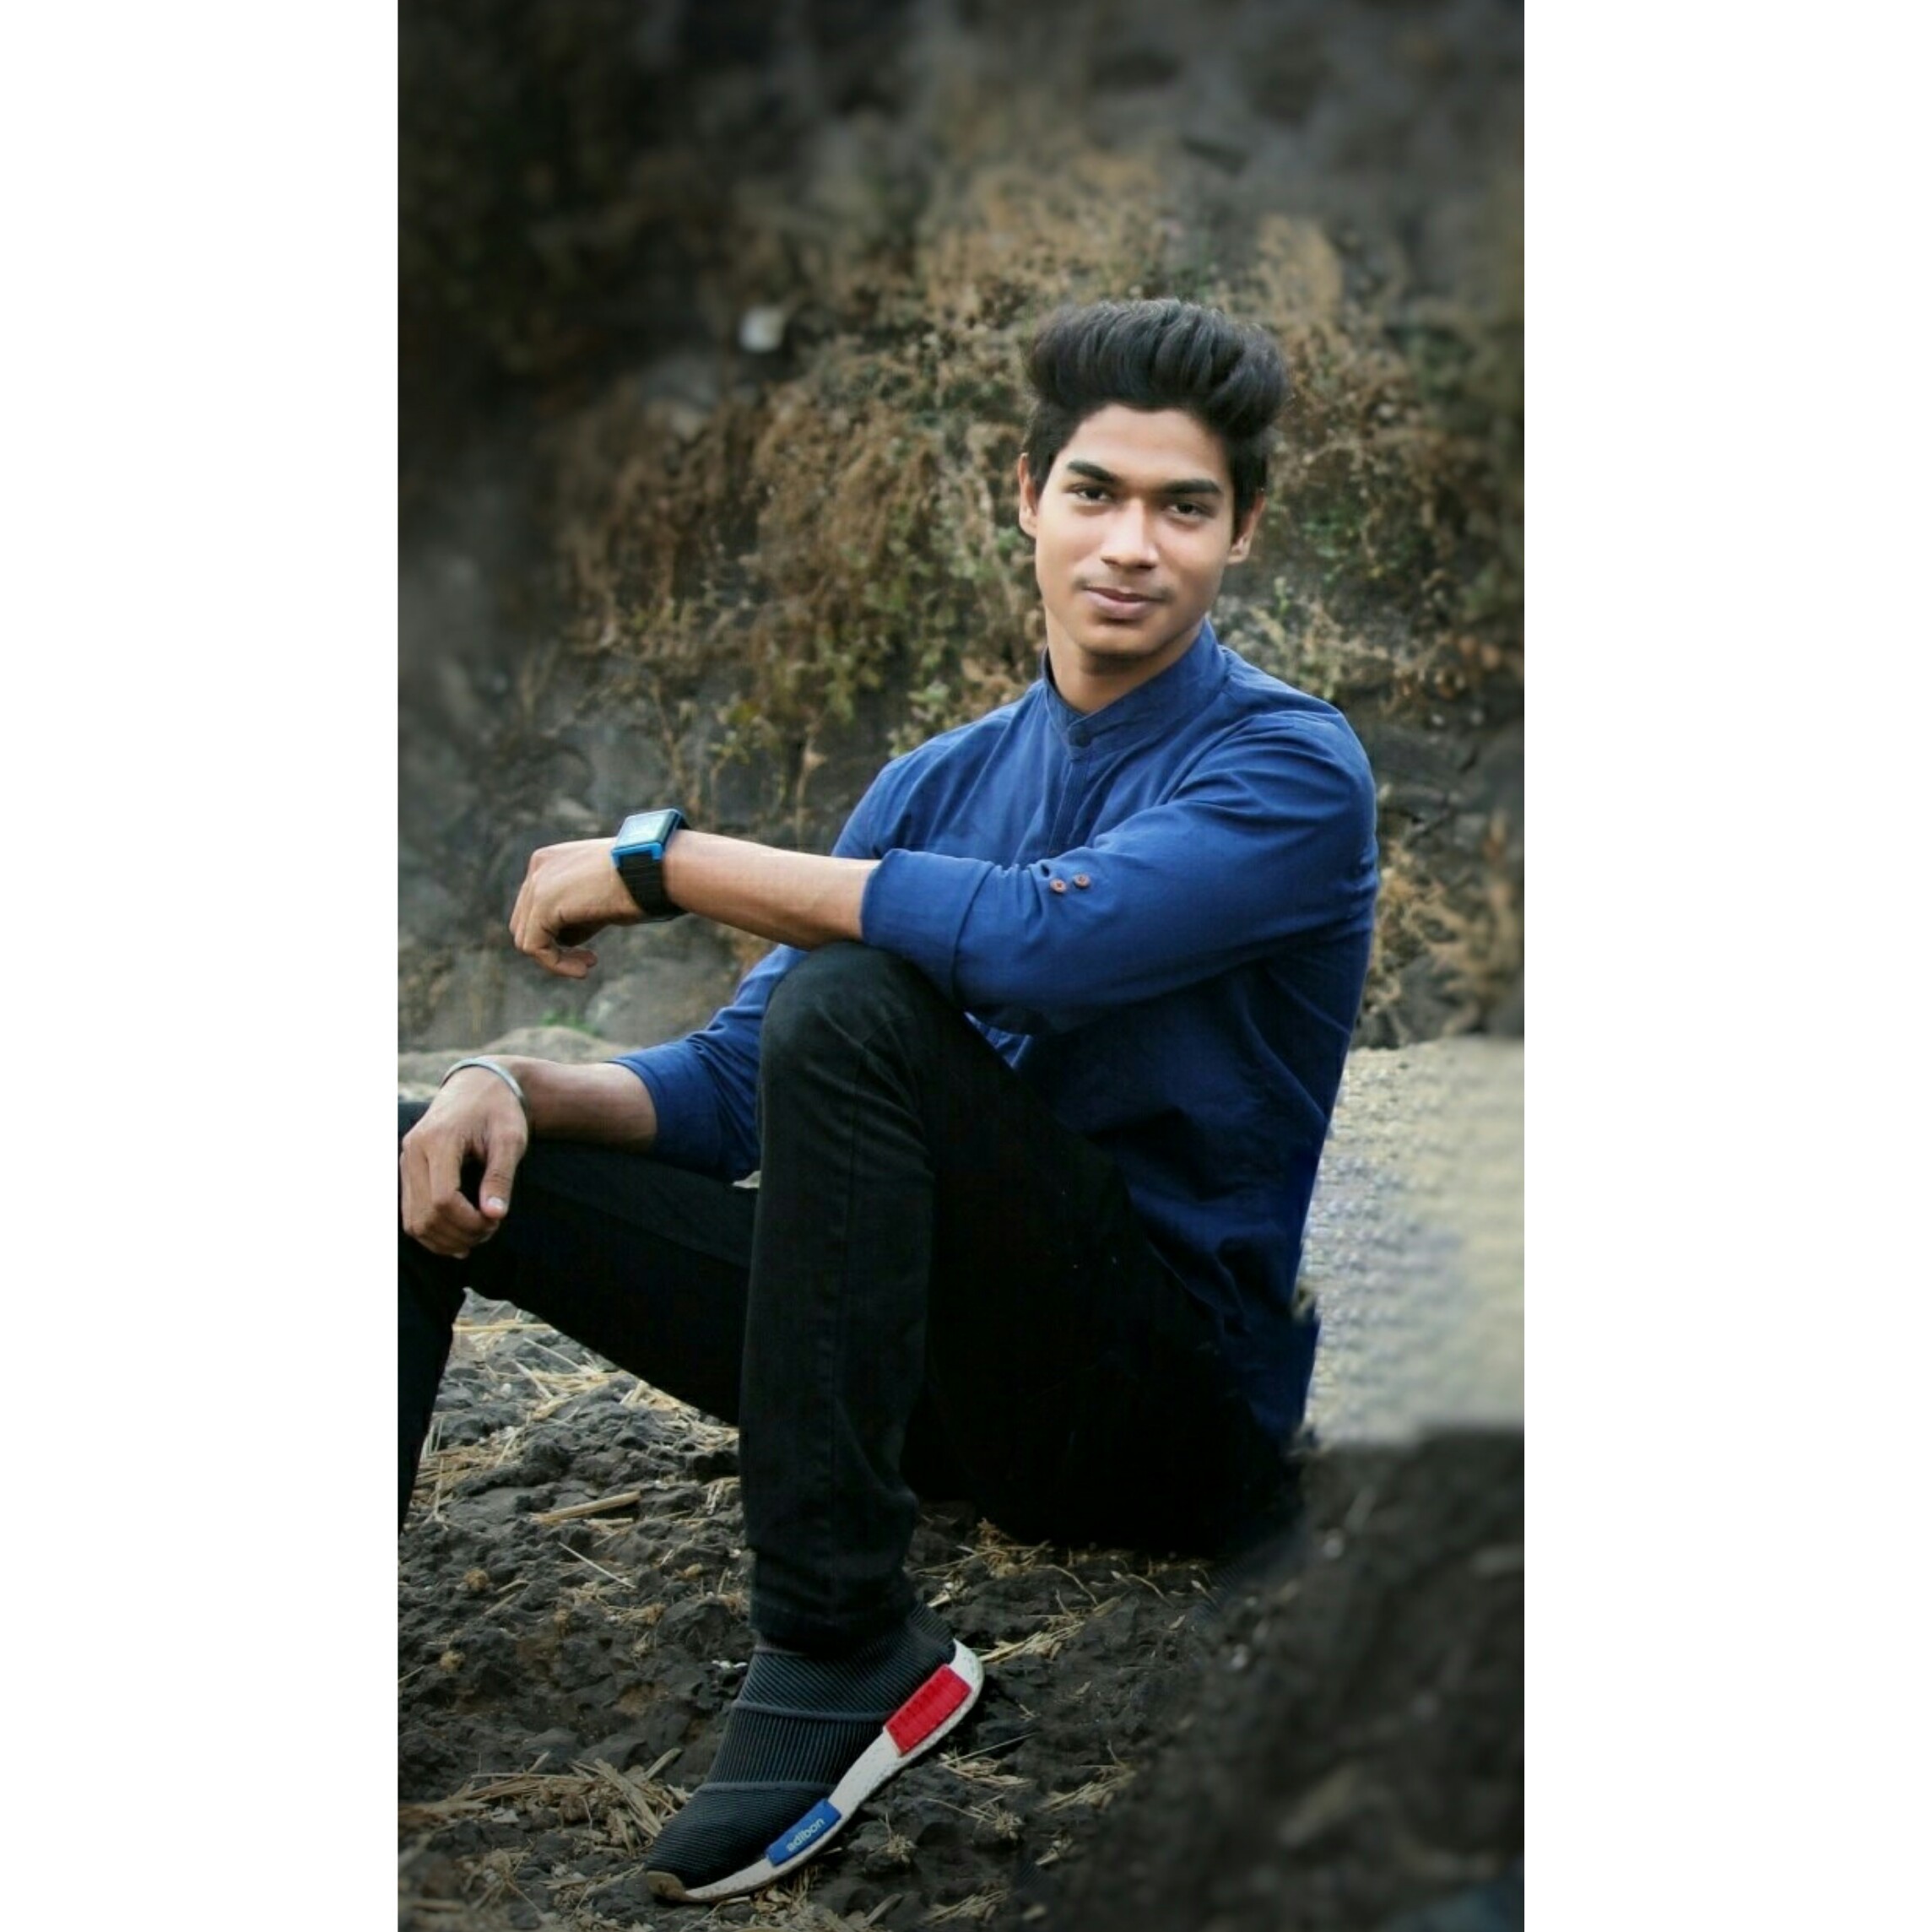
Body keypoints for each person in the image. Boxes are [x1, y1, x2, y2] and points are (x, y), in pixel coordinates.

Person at [398, 297, 1379, 1904]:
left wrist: (663, 862)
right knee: (421, 1155)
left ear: (1241, 531)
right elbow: (731, 1086)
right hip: (944, 1382)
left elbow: (1044, 943)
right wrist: (506, 1080)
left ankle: (845, 1638)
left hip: (1163, 1409)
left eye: (1183, 506)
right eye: (1094, 492)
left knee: (858, 1000)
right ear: (1026, 495)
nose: (1130, 544)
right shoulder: (934, 781)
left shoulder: (1286, 766)